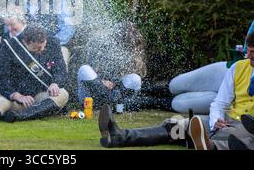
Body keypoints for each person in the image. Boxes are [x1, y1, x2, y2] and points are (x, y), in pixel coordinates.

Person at [98, 32, 254, 150]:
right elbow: (219, 103)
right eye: (248, 51)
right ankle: (120, 136)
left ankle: (208, 144)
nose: (248, 56)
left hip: (246, 128)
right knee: (177, 126)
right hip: (227, 121)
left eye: (253, 53)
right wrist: (216, 121)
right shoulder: (238, 68)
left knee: (236, 137)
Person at [0, 25, 69, 123]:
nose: (42, 49)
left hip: (43, 94)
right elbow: (0, 78)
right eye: (37, 48)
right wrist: (16, 95)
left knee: (63, 94)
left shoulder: (52, 42)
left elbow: (61, 70)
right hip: (20, 96)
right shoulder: (9, 47)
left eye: (43, 45)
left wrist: (55, 83)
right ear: (25, 42)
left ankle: (21, 116)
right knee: (3, 101)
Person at [170, 20, 254, 115]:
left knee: (178, 103)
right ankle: (153, 93)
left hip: (237, 98)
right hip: (229, 72)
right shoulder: (238, 67)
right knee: (174, 84)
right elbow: (247, 51)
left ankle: (158, 101)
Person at [77, 21, 147, 111]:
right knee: (84, 69)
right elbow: (92, 71)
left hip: (116, 93)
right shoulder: (104, 45)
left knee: (135, 78)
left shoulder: (133, 54)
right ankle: (111, 105)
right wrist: (102, 81)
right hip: (94, 94)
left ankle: (116, 106)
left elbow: (129, 82)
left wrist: (115, 83)